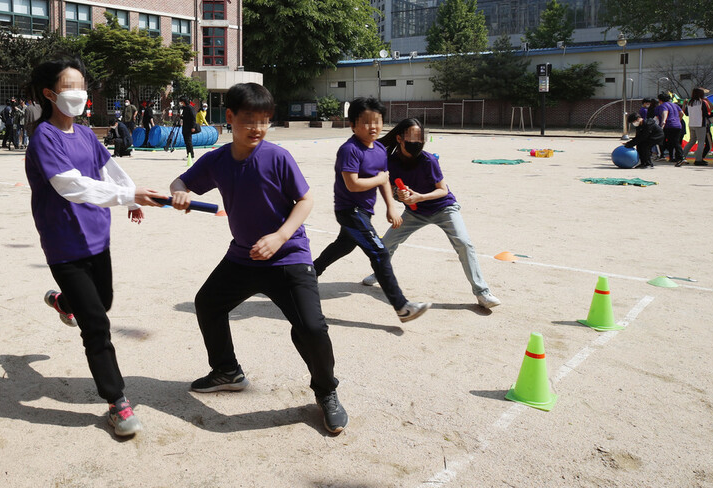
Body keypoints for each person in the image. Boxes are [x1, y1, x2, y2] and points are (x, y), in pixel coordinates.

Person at [168, 82, 349, 435]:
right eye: (249, 120)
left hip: (289, 256)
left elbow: (306, 201)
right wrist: (179, 193)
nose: (257, 128)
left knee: (311, 328)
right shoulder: (217, 160)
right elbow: (181, 181)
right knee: (208, 303)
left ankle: (326, 391)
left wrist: (280, 236)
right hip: (244, 256)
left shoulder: (276, 157)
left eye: (264, 120)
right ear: (230, 117)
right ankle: (227, 371)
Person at [24, 56, 166, 437]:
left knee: (101, 303)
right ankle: (117, 403)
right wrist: (126, 195)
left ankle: (63, 302)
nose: (79, 93)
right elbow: (73, 186)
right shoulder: (44, 138)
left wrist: (132, 198)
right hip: (63, 245)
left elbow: (108, 171)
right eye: (71, 87)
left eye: (82, 86)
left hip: (97, 238)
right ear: (50, 94)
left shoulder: (86, 134)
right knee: (97, 324)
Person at [359, 118, 501, 309]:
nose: (417, 142)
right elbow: (392, 189)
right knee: (386, 244)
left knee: (464, 243)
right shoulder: (390, 162)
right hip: (415, 212)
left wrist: (419, 197)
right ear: (400, 138)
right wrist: (400, 195)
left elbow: (442, 190)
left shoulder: (428, 160)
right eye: (412, 137)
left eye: (420, 138)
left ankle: (483, 293)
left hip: (444, 208)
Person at [312, 97, 430, 323]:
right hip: (349, 210)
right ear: (353, 125)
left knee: (342, 247)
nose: (373, 126)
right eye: (366, 122)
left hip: (364, 211)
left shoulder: (378, 149)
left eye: (377, 121)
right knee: (380, 252)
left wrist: (391, 208)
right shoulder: (349, 150)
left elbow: (385, 181)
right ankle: (402, 307)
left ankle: (307, 275)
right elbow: (353, 184)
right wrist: (378, 179)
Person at [681, 88, 712, 166]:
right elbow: (706, 113)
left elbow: (687, 114)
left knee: (691, 141)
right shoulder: (702, 102)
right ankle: (698, 159)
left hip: (691, 124)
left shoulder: (690, 102)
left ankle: (682, 156)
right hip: (700, 124)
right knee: (701, 142)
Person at [657, 93, 684, 164]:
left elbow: (665, 112)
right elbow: (681, 113)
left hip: (668, 125)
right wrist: (679, 120)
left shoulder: (663, 105)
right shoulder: (675, 105)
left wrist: (663, 121)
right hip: (678, 125)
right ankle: (673, 157)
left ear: (660, 100)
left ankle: (680, 157)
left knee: (670, 142)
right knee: (675, 141)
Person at [178, 96, 197, 161]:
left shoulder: (190, 108)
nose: (181, 103)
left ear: (183, 101)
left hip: (189, 127)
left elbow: (193, 117)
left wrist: (193, 127)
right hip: (185, 127)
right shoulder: (185, 108)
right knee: (186, 142)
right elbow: (185, 117)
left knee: (189, 141)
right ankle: (188, 154)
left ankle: (191, 155)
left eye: (181, 102)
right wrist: (181, 117)